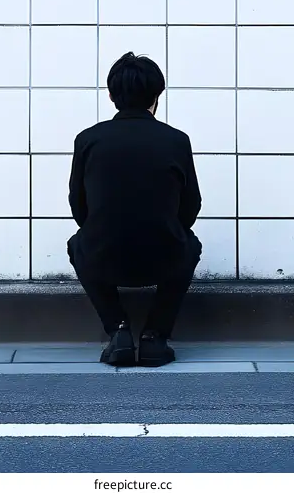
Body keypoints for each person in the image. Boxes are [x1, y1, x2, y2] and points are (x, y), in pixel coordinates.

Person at [67, 52, 202, 368]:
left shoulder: (88, 140)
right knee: (190, 245)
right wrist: (170, 230)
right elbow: (191, 204)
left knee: (78, 245)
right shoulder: (176, 141)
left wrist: (101, 231)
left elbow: (78, 205)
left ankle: (119, 330)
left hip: (104, 258)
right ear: (157, 96)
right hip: (164, 259)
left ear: (112, 96)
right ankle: (155, 336)